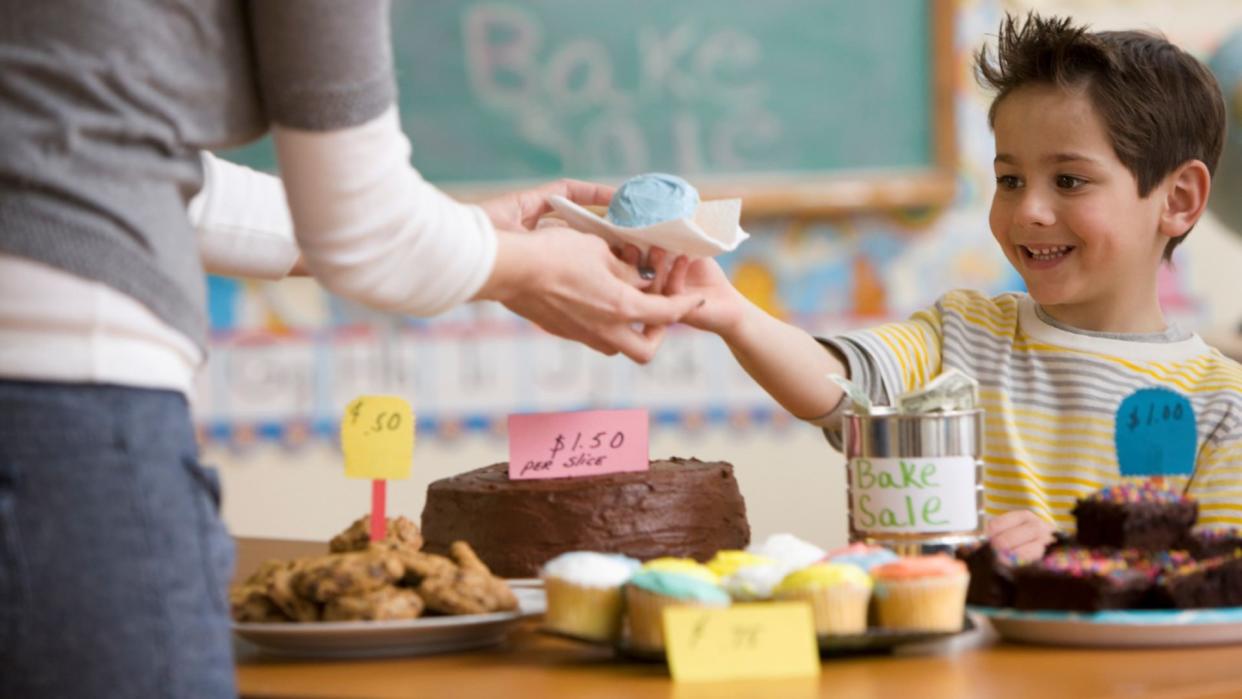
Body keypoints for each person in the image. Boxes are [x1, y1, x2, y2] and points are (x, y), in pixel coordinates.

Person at [0, 2, 701, 697]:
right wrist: (531, 266)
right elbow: (366, 227)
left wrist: (470, 236)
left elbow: (131, 167)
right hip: (56, 405)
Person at [652, 12, 1242, 562]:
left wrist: (1068, 558)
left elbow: (1214, 586)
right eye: (1009, 179)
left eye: (1069, 180)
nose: (1029, 210)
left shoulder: (1222, 405)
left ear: (1178, 200)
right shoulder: (962, 334)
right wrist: (730, 311)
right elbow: (838, 386)